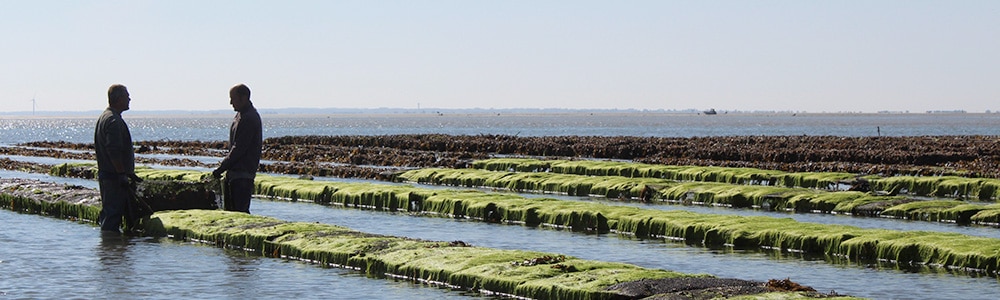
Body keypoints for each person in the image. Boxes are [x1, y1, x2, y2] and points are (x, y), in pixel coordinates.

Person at [94, 84, 140, 232]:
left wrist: (130, 174)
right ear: (119, 99)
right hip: (113, 177)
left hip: (108, 175)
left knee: (110, 212)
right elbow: (113, 151)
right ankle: (110, 248)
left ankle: (111, 249)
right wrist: (121, 174)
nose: (129, 99)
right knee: (113, 214)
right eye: (127, 96)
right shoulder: (113, 120)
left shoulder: (105, 117)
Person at [212, 84, 262, 213]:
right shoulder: (240, 115)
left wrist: (221, 168)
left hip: (243, 175)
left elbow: (239, 148)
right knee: (232, 212)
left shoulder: (249, 118)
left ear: (243, 97)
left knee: (240, 212)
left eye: (233, 98)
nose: (230, 102)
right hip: (234, 175)